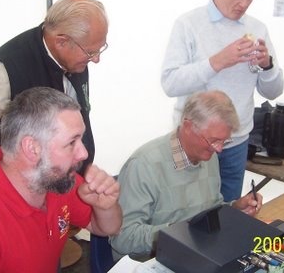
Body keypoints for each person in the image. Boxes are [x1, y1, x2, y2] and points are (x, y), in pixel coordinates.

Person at [0, 87, 122, 272]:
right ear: (32, 148)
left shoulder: (56, 180)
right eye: (72, 142)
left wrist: (104, 207)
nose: (83, 153)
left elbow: (105, 227)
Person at [0, 0, 109, 188]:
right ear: (61, 41)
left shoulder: (75, 57)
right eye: (91, 52)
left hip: (50, 190)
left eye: (100, 48)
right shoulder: (4, 72)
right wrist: (10, 173)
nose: (96, 59)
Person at [161, 0, 284, 202]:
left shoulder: (257, 29)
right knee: (186, 214)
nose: (244, 4)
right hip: (194, 140)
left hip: (236, 142)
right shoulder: (188, 24)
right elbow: (170, 83)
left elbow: (274, 92)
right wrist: (216, 62)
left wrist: (267, 66)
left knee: (226, 215)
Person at [110, 90, 262, 261]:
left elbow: (210, 210)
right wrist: (178, 233)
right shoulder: (144, 166)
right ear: (188, 127)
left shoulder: (208, 156)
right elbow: (122, 238)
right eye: (214, 140)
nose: (219, 149)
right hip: (152, 260)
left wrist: (234, 209)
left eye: (224, 141)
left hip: (198, 253)